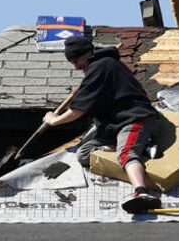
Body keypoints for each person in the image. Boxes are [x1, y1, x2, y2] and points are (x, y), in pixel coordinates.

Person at [43, 36, 162, 214]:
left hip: (133, 118)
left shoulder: (102, 66)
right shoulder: (100, 67)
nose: (76, 66)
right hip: (113, 124)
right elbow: (87, 98)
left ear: (88, 54)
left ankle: (142, 192)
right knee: (83, 154)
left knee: (126, 152)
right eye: (72, 62)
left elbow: (77, 110)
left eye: (76, 61)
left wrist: (54, 120)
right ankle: (143, 148)